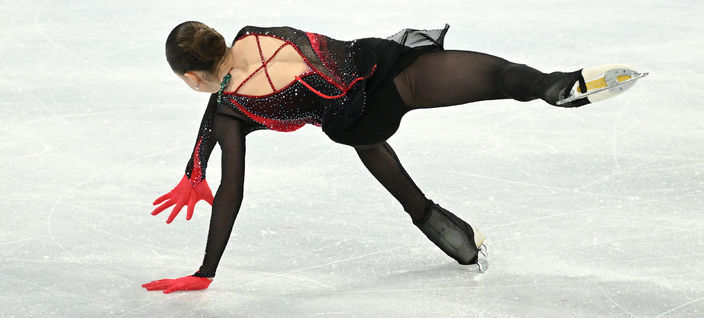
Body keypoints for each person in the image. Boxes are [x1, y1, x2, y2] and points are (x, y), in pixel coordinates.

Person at [142, 21, 646, 294]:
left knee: (370, 145)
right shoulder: (253, 34)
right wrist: (194, 165)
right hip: (389, 67)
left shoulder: (234, 109)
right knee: (499, 78)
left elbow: (232, 183)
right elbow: (222, 93)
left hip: (362, 119)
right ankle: (555, 85)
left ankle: (453, 235)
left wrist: (205, 268)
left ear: (189, 78)